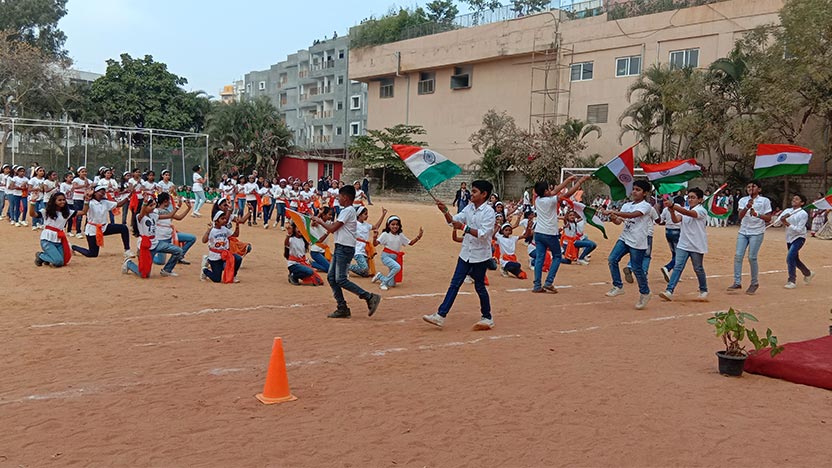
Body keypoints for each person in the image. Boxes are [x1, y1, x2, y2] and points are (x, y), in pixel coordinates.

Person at [422, 180, 496, 331]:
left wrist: (463, 227)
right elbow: (453, 221)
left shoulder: (489, 212)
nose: (471, 194)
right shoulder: (469, 208)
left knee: (480, 286)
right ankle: (440, 315)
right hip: (466, 253)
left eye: (474, 191)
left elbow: (482, 234)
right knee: (454, 284)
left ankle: (487, 316)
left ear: (484, 194)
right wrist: (445, 212)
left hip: (480, 255)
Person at [309, 185, 382, 319]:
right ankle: (342, 307)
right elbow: (335, 228)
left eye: (340, 196)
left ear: (346, 198)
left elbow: (333, 228)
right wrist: (324, 232)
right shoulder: (346, 211)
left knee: (340, 279)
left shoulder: (348, 211)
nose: (338, 199)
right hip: (341, 247)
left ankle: (369, 296)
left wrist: (319, 220)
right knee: (332, 277)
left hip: (345, 248)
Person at [601, 180, 654, 310]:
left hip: (637, 241)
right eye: (634, 189)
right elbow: (619, 222)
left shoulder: (646, 206)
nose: (634, 192)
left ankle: (645, 292)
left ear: (645, 193)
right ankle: (618, 286)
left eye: (638, 190)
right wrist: (613, 217)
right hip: (625, 237)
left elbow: (633, 215)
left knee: (637, 269)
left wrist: (614, 212)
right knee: (612, 259)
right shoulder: (627, 205)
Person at [530, 175, 587, 293]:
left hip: (539, 232)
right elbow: (567, 194)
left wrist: (567, 180)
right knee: (557, 256)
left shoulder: (538, 200)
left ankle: (537, 285)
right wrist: (579, 182)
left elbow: (555, 191)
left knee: (540, 258)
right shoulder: (551, 200)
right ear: (546, 191)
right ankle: (549, 282)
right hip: (550, 233)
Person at [658, 188, 709, 302]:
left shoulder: (701, 210)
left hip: (696, 244)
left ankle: (703, 289)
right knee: (678, 267)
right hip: (683, 243)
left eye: (693, 197)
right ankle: (669, 290)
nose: (690, 199)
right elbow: (676, 220)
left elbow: (689, 214)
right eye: (689, 197)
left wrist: (673, 206)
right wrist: (671, 211)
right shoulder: (684, 209)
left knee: (698, 268)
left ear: (700, 200)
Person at [122, 196, 184, 278]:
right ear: (144, 207)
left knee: (178, 251)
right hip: (145, 245)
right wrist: (144, 203)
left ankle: (167, 270)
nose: (153, 207)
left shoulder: (154, 215)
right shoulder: (140, 217)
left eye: (154, 205)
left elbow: (169, 215)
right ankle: (129, 263)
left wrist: (177, 207)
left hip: (156, 242)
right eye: (150, 205)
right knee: (144, 274)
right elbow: (142, 212)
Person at [728, 180, 772, 295]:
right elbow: (740, 216)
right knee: (738, 255)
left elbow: (768, 218)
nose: (750, 189)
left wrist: (757, 215)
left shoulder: (764, 201)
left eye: (753, 186)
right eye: (748, 187)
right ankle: (737, 282)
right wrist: (747, 207)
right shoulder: (743, 200)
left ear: (759, 189)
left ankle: (754, 282)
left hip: (757, 232)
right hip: (743, 231)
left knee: (752, 257)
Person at [71, 185, 133, 259]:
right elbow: (85, 210)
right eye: (100, 192)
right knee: (93, 254)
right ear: (95, 193)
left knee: (123, 228)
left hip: (104, 227)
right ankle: (73, 247)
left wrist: (129, 196)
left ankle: (127, 250)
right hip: (93, 230)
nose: (102, 194)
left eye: (103, 192)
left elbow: (119, 204)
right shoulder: (90, 203)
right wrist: (87, 199)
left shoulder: (105, 202)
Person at [32, 191, 88, 268]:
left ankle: (47, 258)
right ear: (54, 201)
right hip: (47, 240)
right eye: (59, 200)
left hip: (59, 240)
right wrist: (32, 202)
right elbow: (33, 214)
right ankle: (40, 255)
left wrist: (87, 200)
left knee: (63, 260)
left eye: (63, 200)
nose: (62, 202)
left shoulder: (67, 212)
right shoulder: (46, 211)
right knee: (58, 262)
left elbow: (84, 212)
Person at [773, 194, 815, 289]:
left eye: (797, 199)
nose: (794, 200)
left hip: (799, 238)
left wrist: (787, 223)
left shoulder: (803, 214)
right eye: (793, 199)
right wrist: (781, 219)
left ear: (802, 203)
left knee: (790, 258)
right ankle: (807, 273)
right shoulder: (787, 211)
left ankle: (792, 280)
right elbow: (776, 223)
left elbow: (799, 230)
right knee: (795, 259)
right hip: (789, 238)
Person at [371, 215, 423, 290]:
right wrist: (374, 237)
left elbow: (410, 243)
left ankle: (379, 276)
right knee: (397, 267)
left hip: (395, 257)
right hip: (386, 256)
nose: (395, 226)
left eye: (397, 224)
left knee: (392, 284)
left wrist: (418, 237)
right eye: (392, 224)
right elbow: (375, 244)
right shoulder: (385, 234)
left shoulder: (400, 235)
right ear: (388, 225)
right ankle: (383, 283)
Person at [152, 192, 196, 266]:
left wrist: (188, 208)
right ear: (165, 201)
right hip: (161, 238)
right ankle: (147, 256)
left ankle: (180, 255)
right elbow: (171, 216)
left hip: (170, 235)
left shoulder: (166, 211)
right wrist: (177, 207)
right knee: (160, 261)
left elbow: (179, 217)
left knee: (192, 238)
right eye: (169, 200)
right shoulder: (155, 211)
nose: (170, 202)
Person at [201, 210, 242, 283]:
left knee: (238, 258)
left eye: (225, 218)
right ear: (216, 221)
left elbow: (235, 235)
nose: (224, 220)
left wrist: (237, 225)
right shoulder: (212, 230)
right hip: (215, 256)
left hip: (225, 254)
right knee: (217, 279)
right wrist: (208, 231)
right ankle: (205, 270)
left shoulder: (224, 229)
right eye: (222, 219)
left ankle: (233, 275)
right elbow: (204, 240)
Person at [623, 202, 659, 284]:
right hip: (647, 233)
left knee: (636, 253)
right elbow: (658, 220)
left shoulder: (635, 207)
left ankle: (630, 266)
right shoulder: (650, 208)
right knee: (646, 255)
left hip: (636, 234)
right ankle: (644, 272)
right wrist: (657, 210)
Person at [348, 206, 386, 278]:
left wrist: (383, 215)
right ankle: (346, 266)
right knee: (364, 268)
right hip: (358, 249)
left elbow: (376, 226)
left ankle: (347, 266)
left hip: (365, 249)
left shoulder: (366, 225)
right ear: (359, 215)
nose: (367, 216)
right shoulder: (354, 224)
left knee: (366, 273)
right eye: (365, 214)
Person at [659, 197, 682, 283]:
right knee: (679, 254)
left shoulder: (665, 209)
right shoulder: (679, 208)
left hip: (668, 231)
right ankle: (668, 267)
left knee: (674, 252)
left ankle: (675, 274)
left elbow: (660, 220)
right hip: (677, 231)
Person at [309, 206, 333, 272]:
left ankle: (317, 265)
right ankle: (310, 263)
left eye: (331, 214)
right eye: (329, 214)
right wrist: (319, 213)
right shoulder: (318, 223)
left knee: (332, 266)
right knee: (330, 269)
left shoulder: (329, 223)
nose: (331, 216)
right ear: (324, 215)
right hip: (316, 251)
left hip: (324, 251)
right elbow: (313, 222)